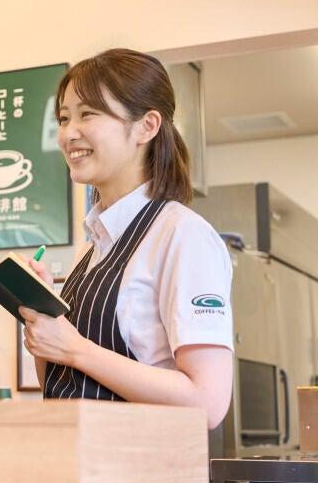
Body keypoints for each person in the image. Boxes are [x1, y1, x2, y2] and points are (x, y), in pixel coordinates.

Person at [20, 48, 233, 428]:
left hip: (147, 475)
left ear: (147, 126)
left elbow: (208, 402)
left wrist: (76, 349)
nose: (69, 133)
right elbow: (68, 388)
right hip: (80, 466)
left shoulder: (182, 236)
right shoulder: (93, 249)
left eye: (88, 114)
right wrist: (45, 321)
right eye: (64, 118)